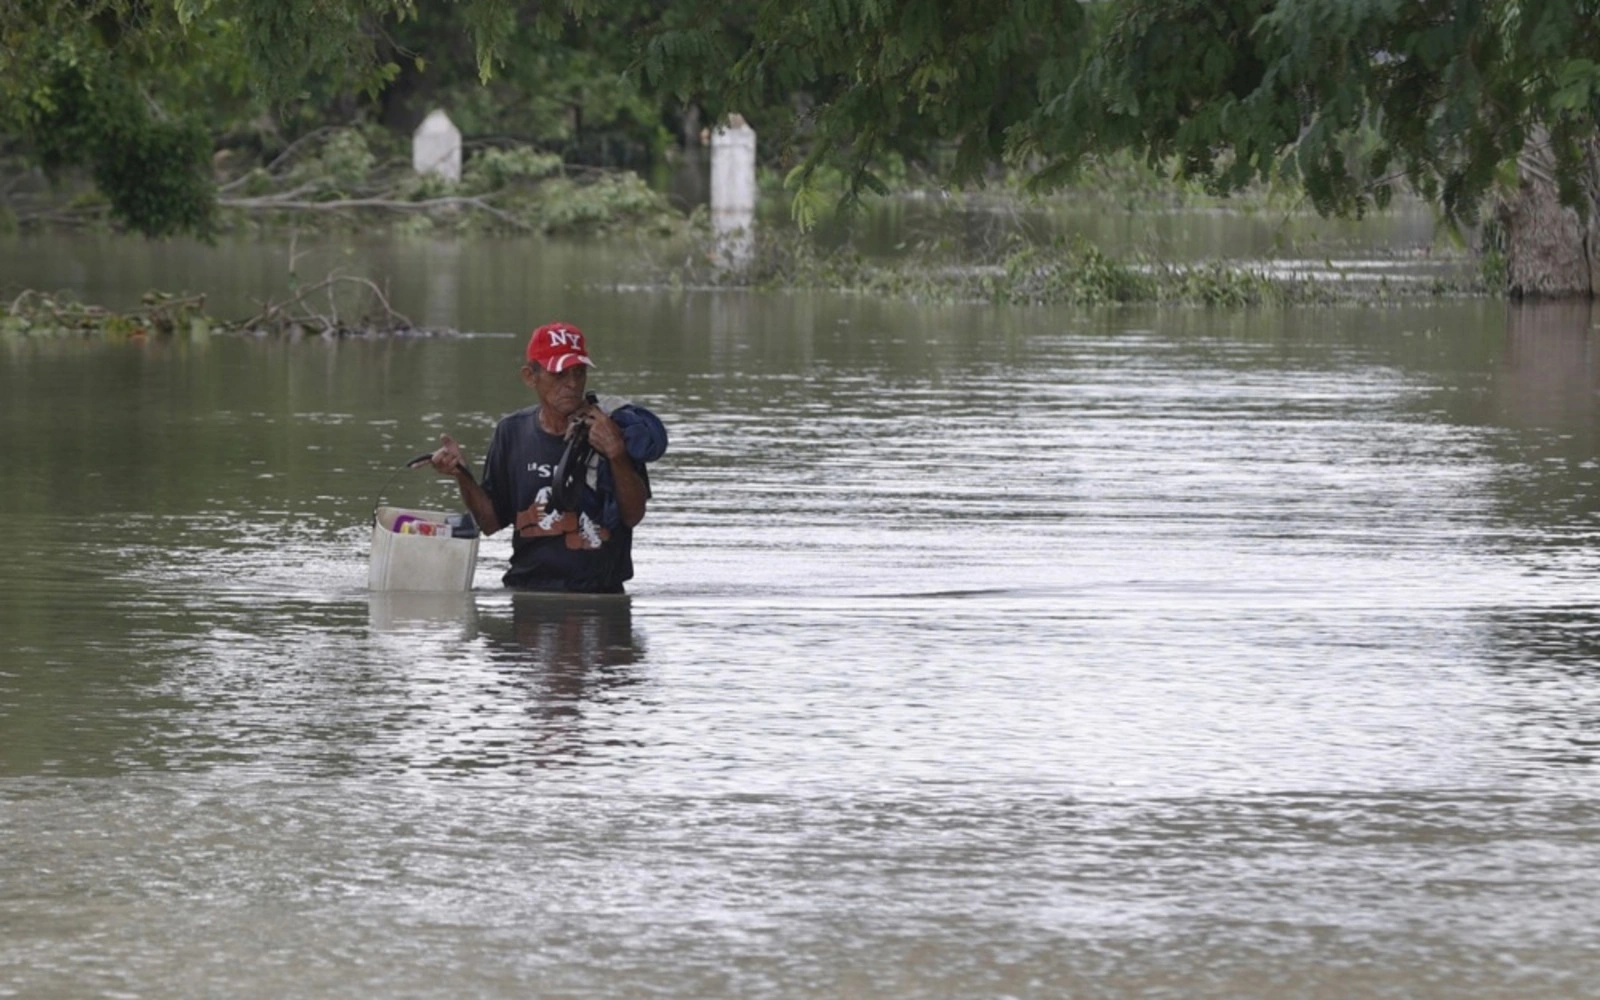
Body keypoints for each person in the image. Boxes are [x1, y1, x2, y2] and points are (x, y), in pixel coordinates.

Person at [430, 322, 668, 593]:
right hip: (527, 592)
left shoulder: (611, 428)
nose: (572, 384)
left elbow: (633, 515)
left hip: (600, 594)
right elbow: (490, 522)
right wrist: (462, 474)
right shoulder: (511, 431)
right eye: (559, 374)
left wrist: (617, 454)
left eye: (579, 373)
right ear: (530, 376)